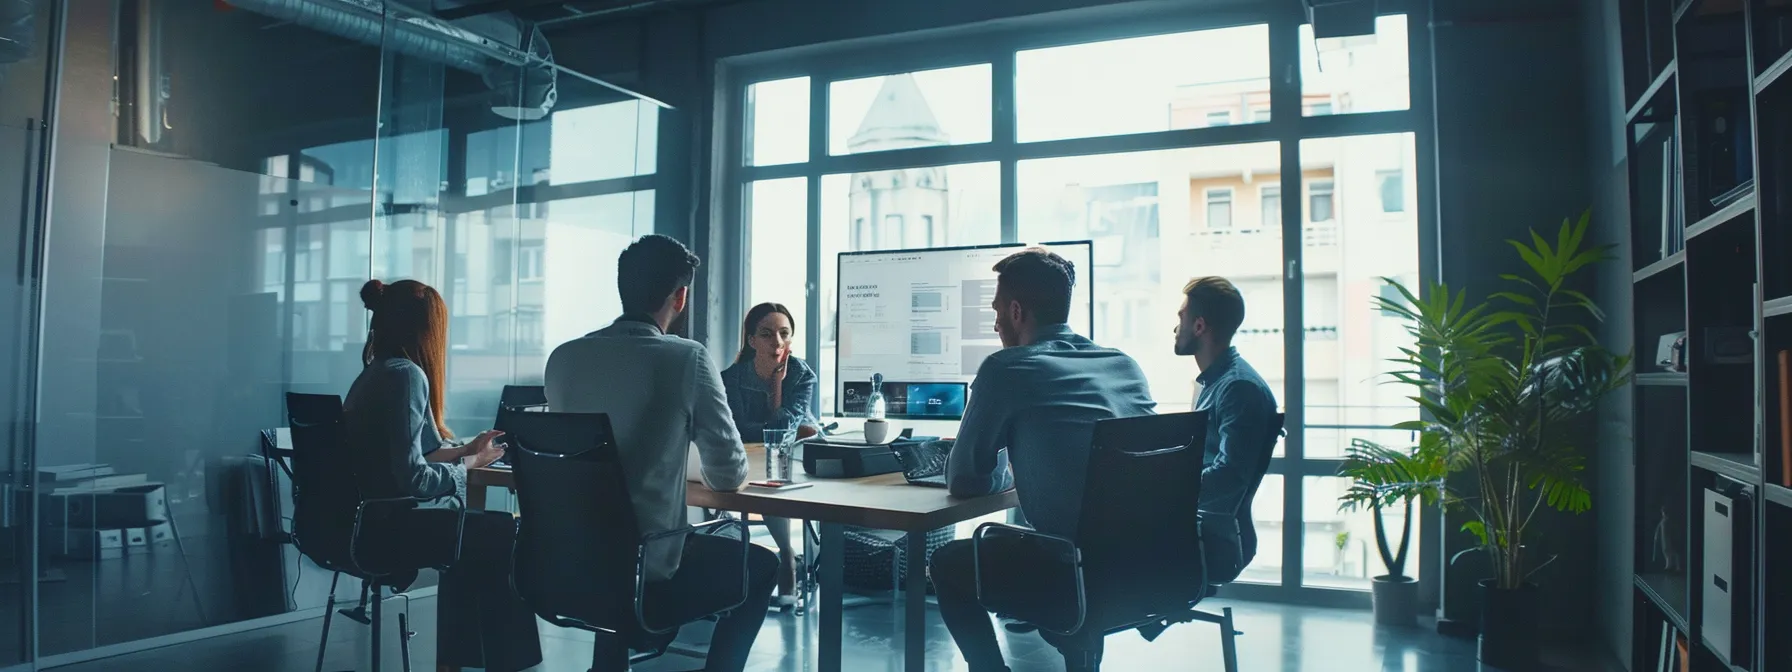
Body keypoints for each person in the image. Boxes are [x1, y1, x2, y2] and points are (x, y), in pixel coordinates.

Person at [543, 234, 776, 672]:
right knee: (761, 565)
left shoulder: (564, 358)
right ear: (681, 296)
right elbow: (727, 475)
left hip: (566, 562)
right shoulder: (685, 359)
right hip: (647, 570)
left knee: (612, 542)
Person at [929, 248, 1156, 672]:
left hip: (1076, 575)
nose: (995, 322)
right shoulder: (1124, 365)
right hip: (1152, 567)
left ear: (1016, 311)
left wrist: (1005, 471)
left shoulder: (1008, 368)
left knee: (946, 564)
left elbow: (961, 478)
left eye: (996, 310)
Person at [341, 279, 542, 672]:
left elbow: (413, 454)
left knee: (473, 534)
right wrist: (467, 468)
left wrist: (469, 452)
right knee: (501, 531)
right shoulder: (406, 376)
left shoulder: (375, 373)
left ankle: (456, 661)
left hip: (360, 522)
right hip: (387, 527)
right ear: (427, 329)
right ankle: (508, 664)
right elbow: (414, 478)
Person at [1175, 276, 1278, 583]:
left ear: (1199, 326)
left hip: (1215, 538)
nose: (1176, 328)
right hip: (1202, 525)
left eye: (1181, 317)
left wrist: (1169, 490)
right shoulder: (1216, 383)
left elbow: (1230, 474)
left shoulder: (1237, 388)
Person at [721, 302, 820, 607]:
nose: (777, 342)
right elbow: (737, 428)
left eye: (784, 334)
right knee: (768, 470)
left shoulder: (802, 375)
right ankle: (787, 554)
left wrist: (777, 384)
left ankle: (788, 557)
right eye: (766, 334)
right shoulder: (732, 377)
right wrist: (768, 427)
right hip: (753, 455)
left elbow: (786, 428)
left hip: (801, 453)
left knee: (775, 466)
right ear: (751, 340)